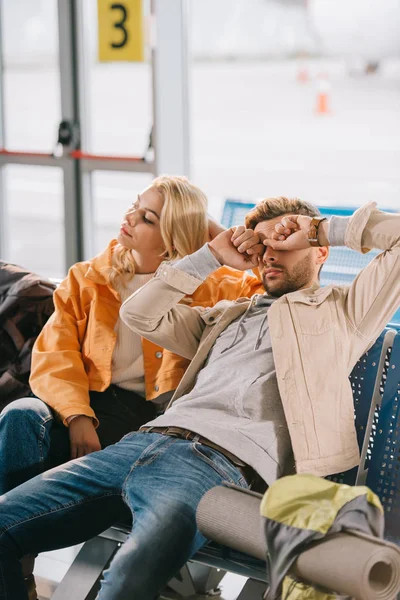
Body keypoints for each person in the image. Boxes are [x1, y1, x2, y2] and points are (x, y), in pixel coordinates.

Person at [0, 198, 398, 600]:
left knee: (125, 583)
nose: (269, 255)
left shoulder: (344, 312)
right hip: (138, 444)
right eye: (262, 245)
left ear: (320, 251)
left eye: (284, 241)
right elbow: (139, 315)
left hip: (214, 471)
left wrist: (318, 228)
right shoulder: (226, 315)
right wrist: (210, 256)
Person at [0, 175, 263, 599]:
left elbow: (269, 294)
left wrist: (209, 234)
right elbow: (55, 356)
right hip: (91, 410)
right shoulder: (88, 278)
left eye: (147, 217)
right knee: (20, 415)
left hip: (161, 425)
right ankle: (17, 564)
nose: (129, 218)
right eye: (135, 207)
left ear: (171, 239)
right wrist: (78, 416)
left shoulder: (213, 287)